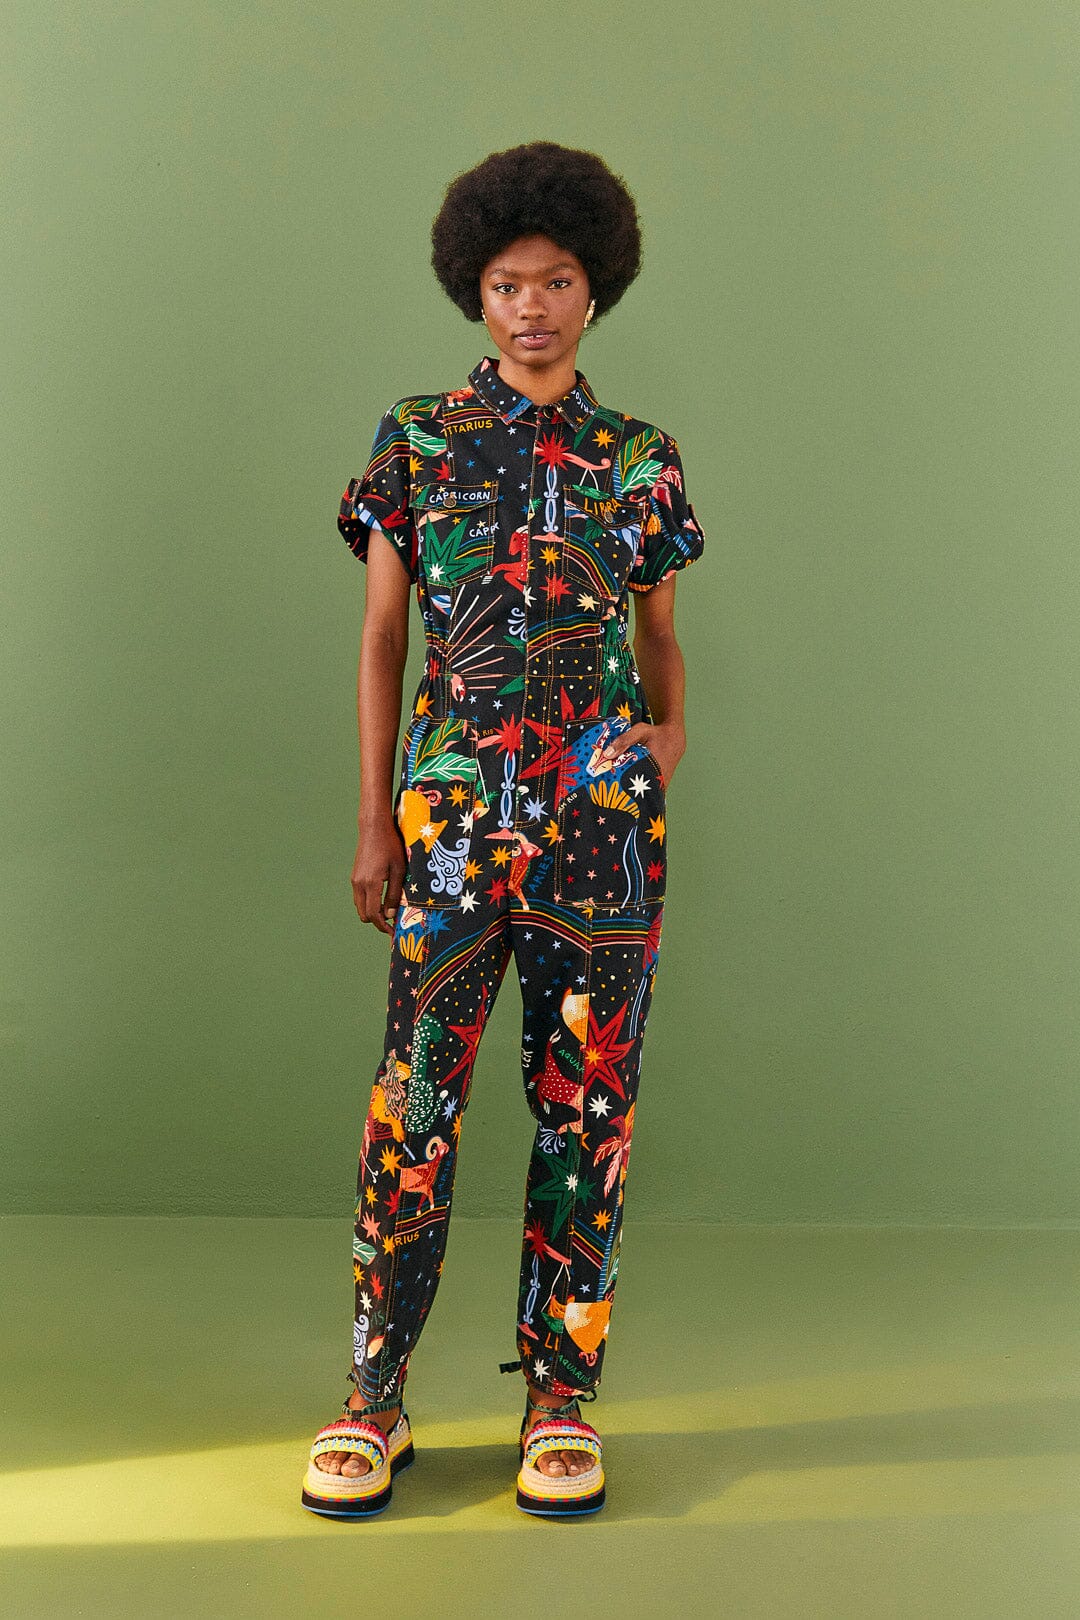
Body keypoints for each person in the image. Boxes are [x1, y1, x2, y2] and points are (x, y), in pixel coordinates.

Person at [301, 140, 706, 1521]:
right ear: (474, 292)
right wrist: (376, 818)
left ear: (597, 291)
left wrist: (668, 738)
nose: (532, 306)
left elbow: (660, 635)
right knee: (417, 1101)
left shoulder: (641, 460)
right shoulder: (416, 439)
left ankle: (560, 1401)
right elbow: (383, 638)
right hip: (450, 828)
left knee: (587, 1113)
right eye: (506, 284)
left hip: (602, 835)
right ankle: (374, 1397)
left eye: (559, 282)